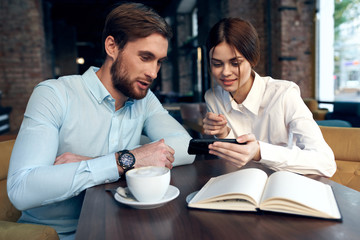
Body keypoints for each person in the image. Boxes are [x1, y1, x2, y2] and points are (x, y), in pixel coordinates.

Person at [7, 3, 194, 239]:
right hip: (57, 234)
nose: (153, 73)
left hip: (122, 225)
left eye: (159, 61)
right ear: (112, 46)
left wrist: (109, 162)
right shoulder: (54, 94)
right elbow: (21, 188)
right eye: (145, 57)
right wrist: (128, 160)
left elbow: (186, 147)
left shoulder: (144, 100)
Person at [202, 17, 336, 177]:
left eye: (235, 63)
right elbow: (231, 164)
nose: (225, 72)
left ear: (252, 59)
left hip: (285, 186)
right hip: (241, 185)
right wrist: (223, 133)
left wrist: (260, 151)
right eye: (217, 64)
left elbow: (326, 163)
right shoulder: (213, 97)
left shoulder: (284, 94)